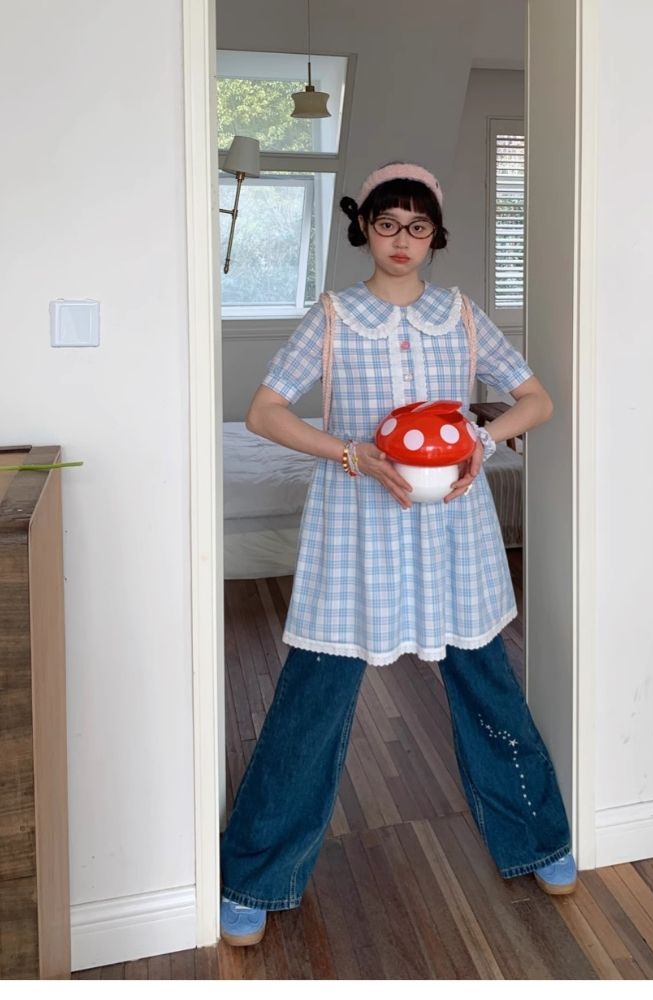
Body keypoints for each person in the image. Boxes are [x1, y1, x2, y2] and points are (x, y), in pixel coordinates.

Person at [219, 161, 577, 948]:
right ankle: (254, 876)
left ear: (435, 235)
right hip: (357, 532)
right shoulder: (334, 317)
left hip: (454, 533)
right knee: (312, 702)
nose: (402, 240)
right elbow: (265, 412)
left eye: (417, 227)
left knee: (489, 688)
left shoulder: (464, 315)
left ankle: (539, 839)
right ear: (365, 230)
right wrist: (350, 452)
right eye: (387, 225)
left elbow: (537, 400)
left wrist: (482, 442)